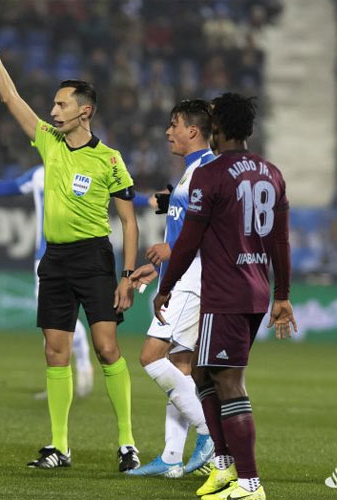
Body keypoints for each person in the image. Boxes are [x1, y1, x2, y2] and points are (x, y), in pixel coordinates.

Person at [0, 16, 141, 471]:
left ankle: (127, 443)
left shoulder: (110, 159)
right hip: (55, 259)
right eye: (52, 104)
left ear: (84, 111)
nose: (53, 111)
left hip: (94, 258)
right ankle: (59, 446)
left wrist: (126, 275)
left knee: (107, 347)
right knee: (55, 350)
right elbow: (9, 97)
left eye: (62, 105)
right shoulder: (48, 143)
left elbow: (129, 221)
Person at [153, 93, 297, 500]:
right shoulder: (272, 173)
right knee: (202, 374)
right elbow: (281, 241)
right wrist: (281, 295)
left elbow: (188, 242)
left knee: (229, 384)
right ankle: (223, 464)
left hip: (226, 292)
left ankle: (250, 484)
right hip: (254, 290)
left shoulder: (212, 174)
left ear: (216, 129)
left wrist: (166, 286)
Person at [0, 164, 95, 398]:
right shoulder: (39, 174)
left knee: (57, 319)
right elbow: (8, 188)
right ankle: (69, 376)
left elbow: (119, 193)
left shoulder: (84, 168)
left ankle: (80, 365)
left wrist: (146, 201)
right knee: (52, 322)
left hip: (76, 255)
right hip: (44, 258)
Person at [126, 100, 216, 478]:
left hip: (192, 282)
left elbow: (215, 233)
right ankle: (171, 458)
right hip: (179, 277)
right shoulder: (190, 172)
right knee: (180, 366)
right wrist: (160, 262)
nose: (168, 131)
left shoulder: (209, 172)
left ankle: (211, 433)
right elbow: (178, 222)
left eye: (174, 124)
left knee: (150, 357)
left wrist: (172, 251)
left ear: (192, 131)